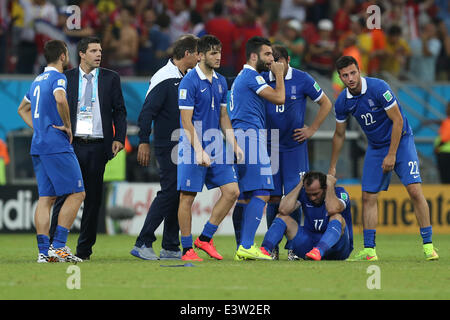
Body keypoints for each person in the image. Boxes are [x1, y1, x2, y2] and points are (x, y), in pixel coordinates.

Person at [329, 55, 438, 261]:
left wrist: (392, 154)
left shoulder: (379, 88)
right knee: (368, 197)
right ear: (340, 77)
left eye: (353, 73)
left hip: (401, 142)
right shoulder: (342, 101)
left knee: (414, 191)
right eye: (345, 75)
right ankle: (369, 251)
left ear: (359, 71)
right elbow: (340, 134)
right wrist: (332, 166)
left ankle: (428, 246)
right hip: (376, 147)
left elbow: (398, 121)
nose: (350, 78)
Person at [50, 36, 127, 261]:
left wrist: (119, 137)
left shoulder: (111, 78)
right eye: (93, 51)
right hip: (71, 146)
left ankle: (84, 251)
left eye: (100, 50)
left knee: (93, 201)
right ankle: (55, 247)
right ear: (81, 54)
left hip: (97, 146)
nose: (99, 54)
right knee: (64, 196)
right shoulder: (66, 78)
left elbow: (119, 111)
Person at [131, 34, 199, 261]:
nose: (199, 58)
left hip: (181, 143)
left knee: (177, 193)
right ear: (187, 54)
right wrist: (143, 140)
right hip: (167, 143)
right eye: (197, 53)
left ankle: (170, 245)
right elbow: (147, 112)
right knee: (170, 191)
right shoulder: (164, 77)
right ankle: (143, 242)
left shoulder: (185, 76)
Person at [261, 44, 332, 260]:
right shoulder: (263, 79)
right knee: (273, 197)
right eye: (272, 63)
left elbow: (326, 104)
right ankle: (272, 246)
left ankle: (294, 247)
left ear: (288, 60)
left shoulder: (303, 79)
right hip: (270, 145)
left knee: (297, 196)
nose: (275, 67)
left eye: (278, 62)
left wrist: (312, 129)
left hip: (295, 147)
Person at [17, 40, 85, 263]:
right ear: (63, 56)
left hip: (38, 145)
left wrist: (39, 128)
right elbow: (60, 98)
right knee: (77, 193)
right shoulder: (58, 78)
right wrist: (67, 125)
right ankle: (59, 246)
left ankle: (43, 252)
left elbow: (22, 109)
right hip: (56, 144)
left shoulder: (37, 81)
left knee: (46, 198)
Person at [177, 35, 242, 261]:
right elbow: (186, 121)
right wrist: (198, 150)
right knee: (187, 197)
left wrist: (234, 144)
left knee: (232, 191)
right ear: (201, 55)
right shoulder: (189, 81)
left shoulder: (222, 81)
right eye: (213, 53)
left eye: (220, 53)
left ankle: (205, 238)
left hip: (216, 144)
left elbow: (224, 116)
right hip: (192, 143)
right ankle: (186, 249)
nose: (218, 57)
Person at [229, 36, 285, 260]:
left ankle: (241, 247)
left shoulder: (245, 77)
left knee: (245, 197)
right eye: (268, 54)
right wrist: (279, 74)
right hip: (250, 136)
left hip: (241, 136)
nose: (272, 59)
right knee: (262, 192)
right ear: (254, 56)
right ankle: (246, 245)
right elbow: (279, 98)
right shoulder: (251, 77)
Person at [261, 171, 353, 261]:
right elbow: (283, 209)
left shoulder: (340, 192)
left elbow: (332, 209)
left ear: (325, 187)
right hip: (309, 245)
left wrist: (330, 186)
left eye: (315, 194)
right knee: (282, 217)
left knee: (336, 217)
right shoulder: (304, 194)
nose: (312, 198)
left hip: (337, 248)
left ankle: (319, 250)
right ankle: (265, 250)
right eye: (309, 194)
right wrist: (300, 185)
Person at [434, 102, 450, 183]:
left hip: (445, 153)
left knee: (445, 179)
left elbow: (445, 137)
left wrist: (438, 147)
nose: (446, 109)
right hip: (444, 152)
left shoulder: (448, 122)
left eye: (448, 107)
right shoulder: (446, 121)